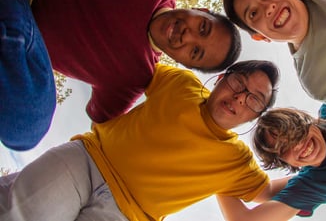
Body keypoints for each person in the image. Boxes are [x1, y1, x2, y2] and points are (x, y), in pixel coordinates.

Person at [0, 0, 241, 151]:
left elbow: (102, 128)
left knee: (28, 130)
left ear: (184, 62)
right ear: (202, 10)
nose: (187, 36)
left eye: (195, 51)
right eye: (202, 27)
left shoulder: (134, 78)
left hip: (19, 16)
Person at [0, 60, 289, 221]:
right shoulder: (182, 84)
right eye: (239, 83)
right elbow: (132, 64)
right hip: (87, 161)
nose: (240, 97)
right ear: (222, 78)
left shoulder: (237, 160)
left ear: (254, 117)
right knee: (21, 212)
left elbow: (266, 192)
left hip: (126, 215)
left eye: (253, 100)